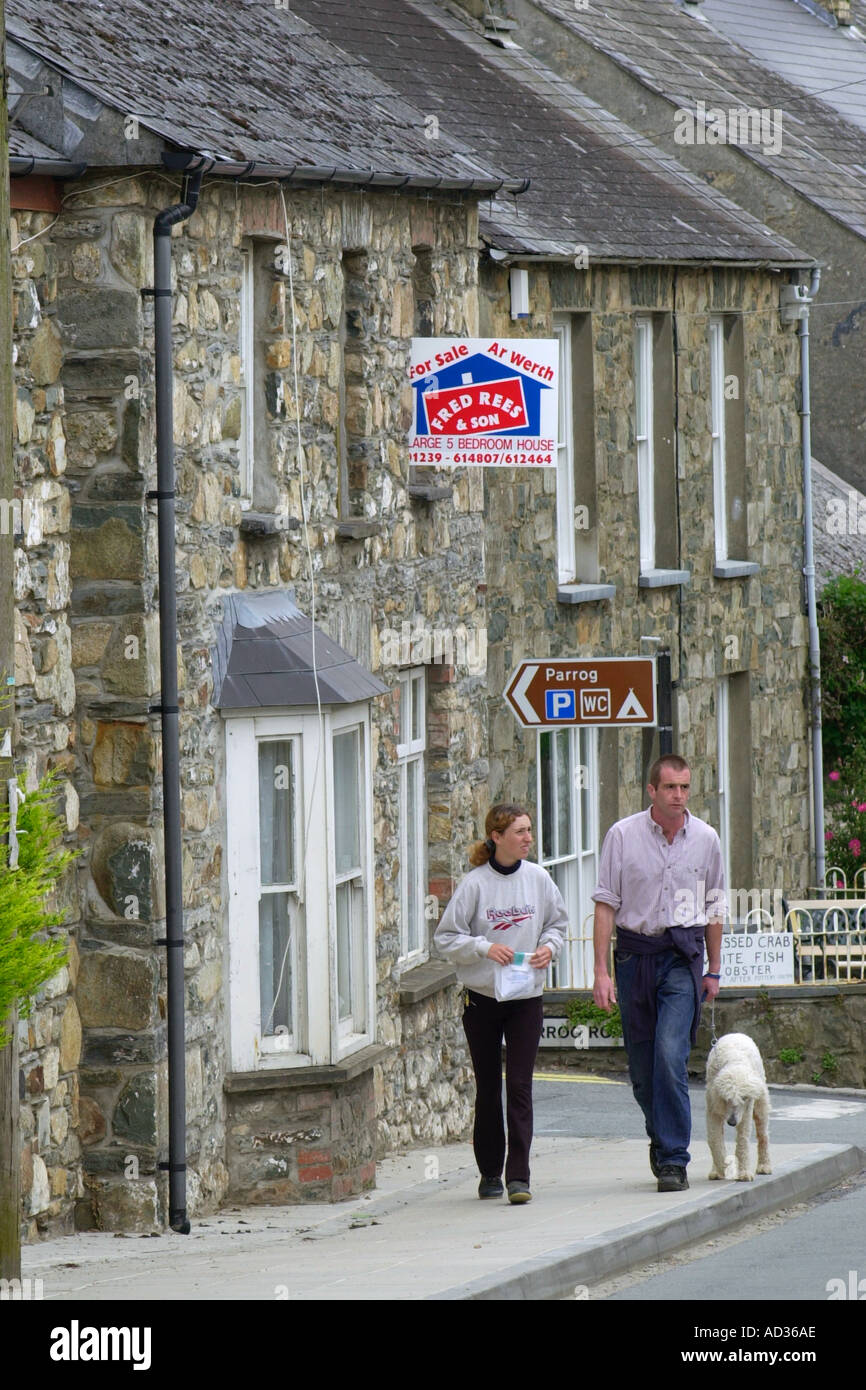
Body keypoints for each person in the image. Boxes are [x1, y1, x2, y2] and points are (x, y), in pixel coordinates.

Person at [592, 755, 725, 1193]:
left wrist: (715, 969)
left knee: (670, 1056)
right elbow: (606, 904)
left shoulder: (706, 839)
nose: (679, 796)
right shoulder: (623, 836)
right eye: (670, 787)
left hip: (682, 958)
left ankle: (673, 1158)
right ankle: (660, 1134)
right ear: (652, 790)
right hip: (634, 956)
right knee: (642, 1069)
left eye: (685, 787)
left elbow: (715, 908)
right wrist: (601, 972)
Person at [434, 803, 567, 1204]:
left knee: (521, 1086)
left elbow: (557, 924)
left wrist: (549, 947)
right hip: (483, 999)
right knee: (489, 1086)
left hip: (526, 997)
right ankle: (490, 1172)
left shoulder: (539, 879)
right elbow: (445, 939)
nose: (529, 838)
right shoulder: (475, 884)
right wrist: (483, 947)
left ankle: (519, 1177)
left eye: (529, 830)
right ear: (497, 836)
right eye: (520, 832)